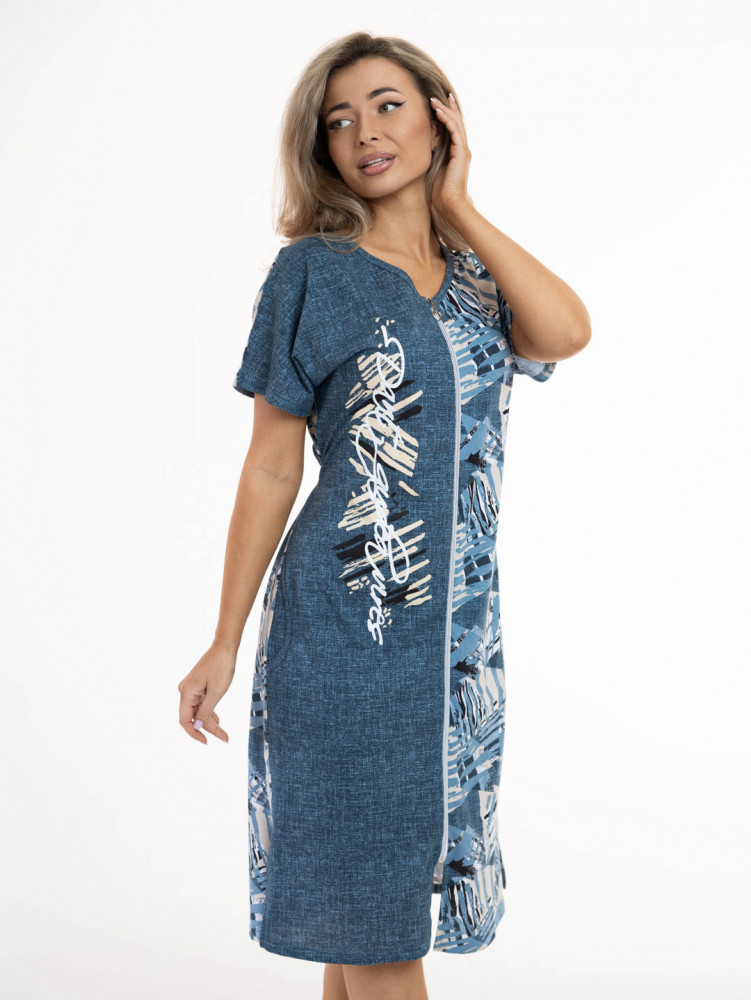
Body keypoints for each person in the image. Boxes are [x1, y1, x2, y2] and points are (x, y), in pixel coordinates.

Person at [177, 31, 590, 1000]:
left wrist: (459, 204)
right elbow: (271, 466)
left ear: (440, 117)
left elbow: (566, 332)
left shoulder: (478, 277)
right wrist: (224, 640)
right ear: (319, 146)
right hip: (344, 635)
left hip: (452, 647)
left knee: (363, 931)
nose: (364, 132)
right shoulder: (310, 273)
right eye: (339, 118)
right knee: (375, 927)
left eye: (388, 105)